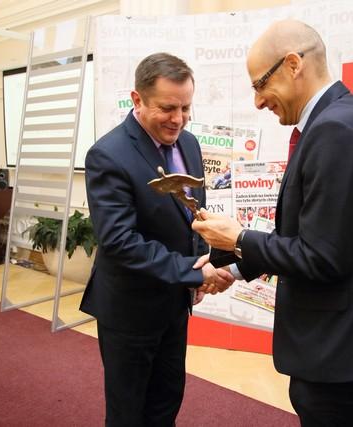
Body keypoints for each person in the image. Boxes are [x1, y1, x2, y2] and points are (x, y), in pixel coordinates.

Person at [192, 20, 353, 426]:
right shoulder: (339, 120)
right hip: (347, 340)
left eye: (260, 85)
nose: (258, 101)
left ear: (293, 64)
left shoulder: (336, 131)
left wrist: (239, 237)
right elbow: (310, 235)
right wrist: (231, 265)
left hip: (344, 347)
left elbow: (322, 256)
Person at [80, 52, 234, 427]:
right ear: (137, 100)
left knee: (167, 399)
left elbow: (192, 215)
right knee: (129, 411)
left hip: (175, 304)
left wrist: (199, 268)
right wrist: (191, 272)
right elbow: (119, 241)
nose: (178, 119)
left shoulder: (190, 144)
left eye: (186, 108)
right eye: (167, 108)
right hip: (130, 311)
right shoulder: (107, 155)